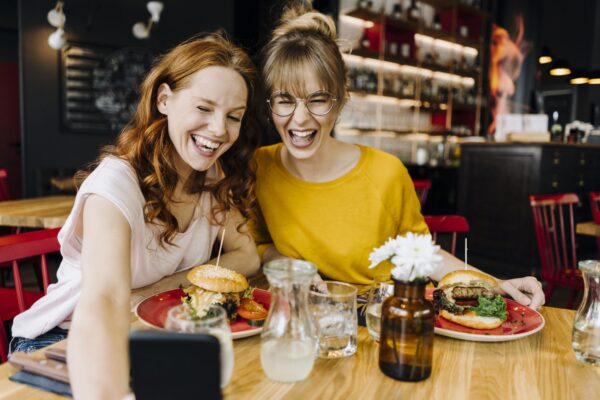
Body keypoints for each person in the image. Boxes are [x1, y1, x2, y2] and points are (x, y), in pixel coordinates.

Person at [10, 32, 260, 398]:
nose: (220, 129)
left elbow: (247, 256)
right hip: (59, 340)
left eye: (233, 116)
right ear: (164, 100)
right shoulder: (115, 183)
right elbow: (107, 301)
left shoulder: (213, 180)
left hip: (146, 329)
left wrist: (155, 292)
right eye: (204, 108)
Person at [252, 1, 544, 309]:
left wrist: (494, 285)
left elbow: (422, 256)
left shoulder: (384, 172)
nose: (299, 119)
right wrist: (291, 265)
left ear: (339, 101)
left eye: (318, 100)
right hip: (302, 322)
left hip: (377, 322)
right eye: (285, 100)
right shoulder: (258, 167)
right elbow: (255, 246)